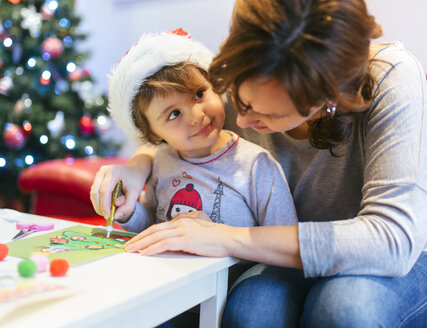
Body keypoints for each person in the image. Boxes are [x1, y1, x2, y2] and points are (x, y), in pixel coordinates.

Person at [90, 0, 427, 326]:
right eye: (239, 98)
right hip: (277, 263)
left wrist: (227, 238)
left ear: (327, 100)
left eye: (269, 115)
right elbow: (175, 134)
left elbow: (391, 239)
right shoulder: (249, 69)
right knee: (253, 310)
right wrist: (138, 165)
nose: (244, 122)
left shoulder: (391, 78)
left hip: (388, 258)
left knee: (344, 310)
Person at [98, 28, 297, 237]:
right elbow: (150, 223)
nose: (196, 116)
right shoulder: (161, 161)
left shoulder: (257, 164)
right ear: (154, 135)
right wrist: (127, 212)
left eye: (199, 94)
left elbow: (284, 237)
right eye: (174, 114)